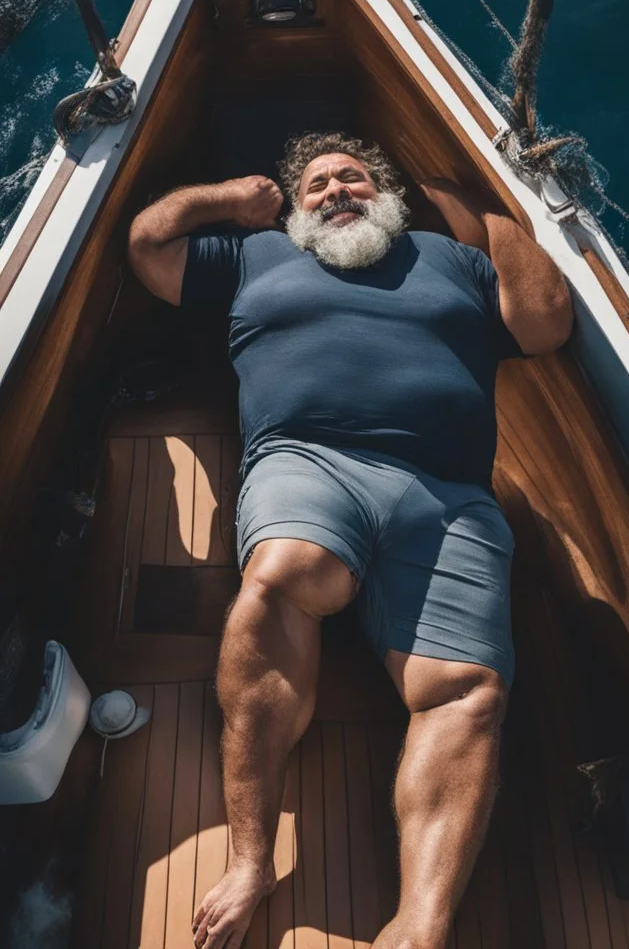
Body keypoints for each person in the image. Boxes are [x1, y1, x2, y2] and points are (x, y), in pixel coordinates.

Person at [128, 131, 573, 949]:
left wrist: (473, 206)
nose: (337, 191)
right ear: (295, 209)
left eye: (355, 179)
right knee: (283, 575)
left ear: (388, 196)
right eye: (318, 185)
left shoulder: (451, 260)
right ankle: (252, 860)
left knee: (469, 689)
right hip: (307, 457)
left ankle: (420, 928)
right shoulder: (256, 256)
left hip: (448, 491)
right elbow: (149, 242)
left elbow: (545, 320)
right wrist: (231, 196)